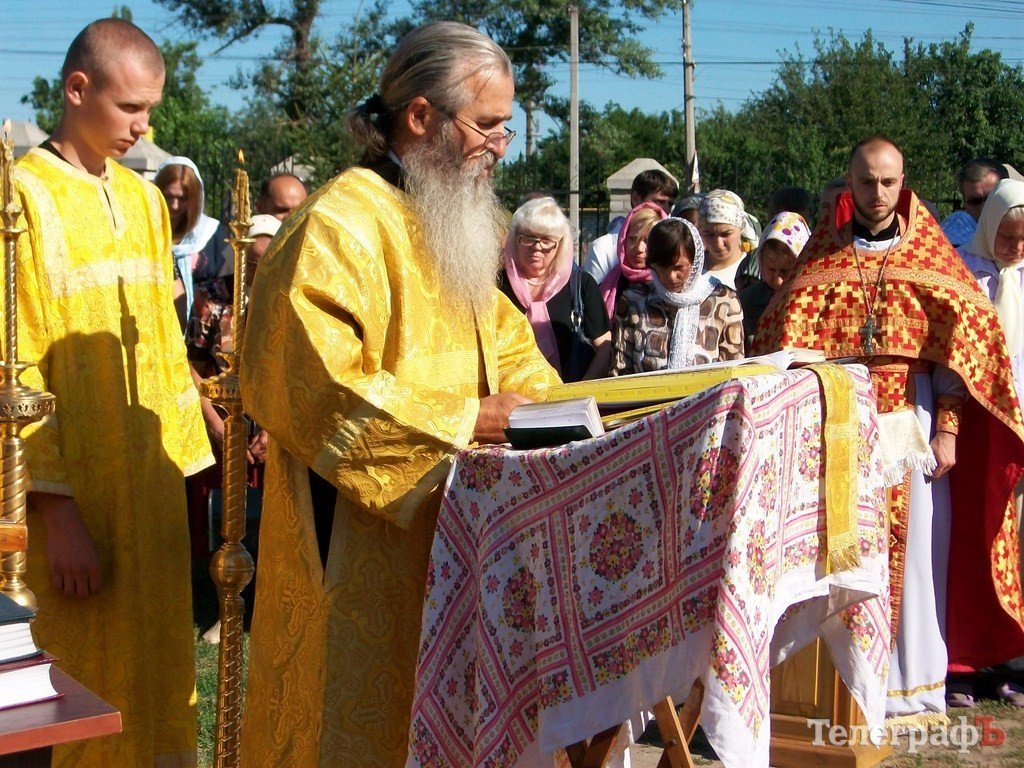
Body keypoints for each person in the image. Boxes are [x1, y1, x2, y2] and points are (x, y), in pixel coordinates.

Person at [238, 21, 560, 767]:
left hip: (456, 548)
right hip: (358, 563)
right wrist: (465, 421)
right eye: (486, 125)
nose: (502, 146)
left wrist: (571, 415)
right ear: (419, 117)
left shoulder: (449, 221)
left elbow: (513, 354)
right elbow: (313, 385)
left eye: (506, 127)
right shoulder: (339, 224)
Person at [755, 136, 1024, 727]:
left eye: (888, 181)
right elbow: (778, 341)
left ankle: (909, 684)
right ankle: (843, 683)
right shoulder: (820, 263)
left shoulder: (932, 258)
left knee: (918, 551)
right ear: (849, 184)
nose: (877, 193)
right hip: (835, 428)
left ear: (904, 184)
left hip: (913, 419)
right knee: (836, 548)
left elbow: (964, 350)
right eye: (865, 181)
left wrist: (949, 429)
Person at [13, 18, 213, 767]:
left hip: (151, 490)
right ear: (76, 89)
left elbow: (160, 340)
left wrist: (195, 437)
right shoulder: (18, 200)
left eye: (151, 110)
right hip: (73, 498)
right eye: (131, 108)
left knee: (158, 679)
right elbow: (14, 363)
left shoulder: (145, 202)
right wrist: (54, 508)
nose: (145, 126)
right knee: (75, 679)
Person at [499, 197, 611, 381]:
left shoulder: (581, 285)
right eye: (528, 238)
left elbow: (604, 347)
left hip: (571, 396)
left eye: (546, 240)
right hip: (512, 399)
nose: (537, 247)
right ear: (514, 239)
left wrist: (580, 392)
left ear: (560, 245)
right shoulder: (497, 285)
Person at [612, 216, 743, 374]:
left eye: (679, 267)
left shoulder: (723, 301)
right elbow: (620, 370)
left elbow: (734, 371)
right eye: (662, 267)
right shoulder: (634, 301)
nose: (671, 276)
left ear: (694, 260)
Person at [153, 156, 233, 330]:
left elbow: (228, 286)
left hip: (202, 335)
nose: (174, 205)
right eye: (168, 196)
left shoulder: (212, 234)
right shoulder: (146, 232)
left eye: (182, 198)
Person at [583, 169, 677, 284]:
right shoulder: (604, 248)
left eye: (670, 204)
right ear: (636, 199)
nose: (666, 210)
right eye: (659, 202)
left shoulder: (674, 245)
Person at [739, 211, 811, 344]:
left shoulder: (813, 301)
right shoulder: (745, 303)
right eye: (771, 270)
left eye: (785, 271)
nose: (778, 281)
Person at [600, 201, 666, 325]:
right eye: (633, 239)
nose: (639, 248)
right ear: (623, 237)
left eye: (647, 241)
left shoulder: (668, 286)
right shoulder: (610, 282)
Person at [942, 159, 1009, 248]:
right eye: (974, 201)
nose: (983, 208)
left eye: (990, 198)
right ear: (965, 202)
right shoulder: (959, 225)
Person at [698, 188, 749, 291]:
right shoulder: (691, 268)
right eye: (709, 235)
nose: (718, 244)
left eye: (726, 234)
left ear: (741, 228)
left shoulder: (751, 271)